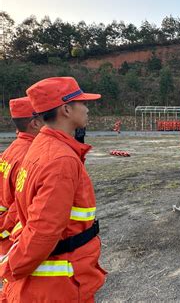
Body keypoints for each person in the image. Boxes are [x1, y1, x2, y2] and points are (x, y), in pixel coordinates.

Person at [0, 77, 106, 301]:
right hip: (61, 283)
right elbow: (43, 231)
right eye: (83, 103)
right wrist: (13, 268)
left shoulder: (42, 145)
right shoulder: (61, 160)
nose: (87, 108)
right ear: (66, 109)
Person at [0, 98, 43, 257]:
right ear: (35, 123)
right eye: (47, 117)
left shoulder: (13, 148)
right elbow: (20, 204)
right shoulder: (30, 155)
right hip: (13, 238)